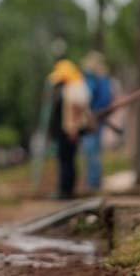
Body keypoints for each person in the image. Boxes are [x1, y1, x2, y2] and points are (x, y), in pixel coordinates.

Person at [48, 60, 92, 200]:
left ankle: (66, 190)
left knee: (67, 160)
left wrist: (73, 128)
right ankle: (65, 189)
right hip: (67, 130)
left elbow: (76, 110)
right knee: (66, 160)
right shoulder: (73, 86)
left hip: (69, 130)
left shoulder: (74, 87)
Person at [81, 51, 113, 191]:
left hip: (92, 116)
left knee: (91, 150)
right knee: (94, 150)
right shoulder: (104, 78)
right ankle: (94, 181)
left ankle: (93, 183)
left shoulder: (93, 78)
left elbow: (86, 96)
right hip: (100, 116)